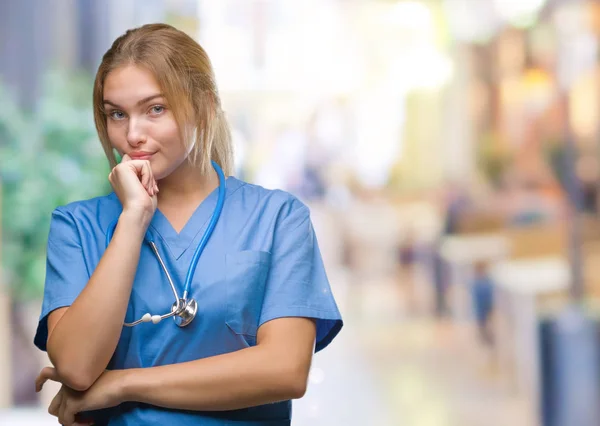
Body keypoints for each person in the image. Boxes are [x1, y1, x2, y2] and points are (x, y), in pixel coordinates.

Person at [33, 23, 343, 426]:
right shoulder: (78, 227)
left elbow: (285, 370)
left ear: (205, 106)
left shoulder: (278, 218)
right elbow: (76, 366)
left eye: (155, 109)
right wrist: (132, 220)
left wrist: (122, 384)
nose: (133, 135)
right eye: (116, 114)